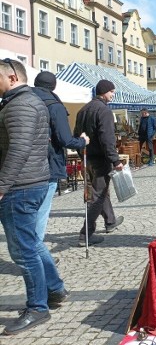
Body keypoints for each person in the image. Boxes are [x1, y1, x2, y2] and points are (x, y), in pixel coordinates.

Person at [0, 59, 68, 334]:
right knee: (33, 244)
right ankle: (54, 289)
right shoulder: (21, 102)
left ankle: (38, 307)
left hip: (21, 186)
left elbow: (19, 148)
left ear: (13, 77)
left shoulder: (20, 104)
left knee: (23, 251)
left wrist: (2, 185)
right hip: (30, 182)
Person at [32, 71, 89, 241]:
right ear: (53, 86)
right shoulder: (54, 105)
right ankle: (35, 255)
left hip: (22, 163)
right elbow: (65, 139)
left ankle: (27, 252)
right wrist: (82, 141)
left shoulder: (22, 99)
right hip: (47, 162)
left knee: (27, 212)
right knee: (41, 211)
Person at [74, 79, 125, 247]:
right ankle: (86, 234)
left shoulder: (83, 110)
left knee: (99, 191)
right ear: (104, 92)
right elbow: (107, 139)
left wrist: (81, 155)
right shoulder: (103, 111)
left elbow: (76, 136)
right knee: (97, 195)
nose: (113, 94)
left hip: (87, 157)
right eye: (112, 91)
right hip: (100, 159)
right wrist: (115, 160)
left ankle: (110, 221)